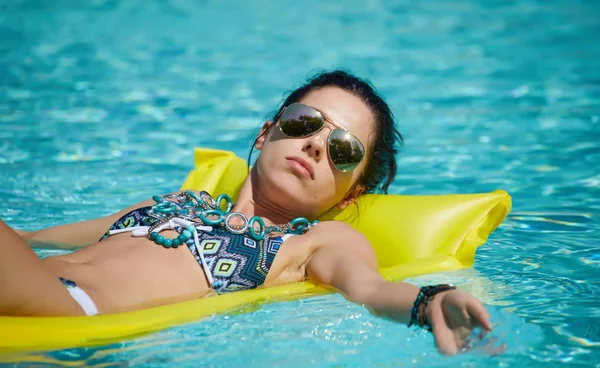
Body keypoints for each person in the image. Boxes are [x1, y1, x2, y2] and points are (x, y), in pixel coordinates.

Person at [1, 70, 494, 355]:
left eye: (343, 150)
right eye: (304, 122)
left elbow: (370, 288)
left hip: (68, 312)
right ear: (266, 133)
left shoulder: (313, 243)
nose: (316, 146)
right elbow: (31, 239)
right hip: (31, 286)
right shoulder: (176, 203)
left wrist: (428, 303)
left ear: (350, 194)